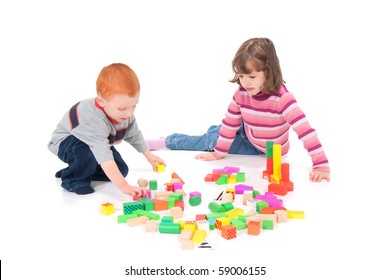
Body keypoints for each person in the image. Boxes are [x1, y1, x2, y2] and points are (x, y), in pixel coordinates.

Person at [147, 38, 330, 182]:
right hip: (246, 130)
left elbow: (306, 133)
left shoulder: (283, 100)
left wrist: (320, 165)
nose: (245, 82)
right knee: (215, 139)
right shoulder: (241, 93)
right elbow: (230, 122)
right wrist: (219, 153)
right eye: (241, 76)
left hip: (260, 149)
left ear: (269, 72)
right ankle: (168, 142)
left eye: (251, 76)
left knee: (210, 140)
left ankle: (197, 137)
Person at [48, 63, 165, 197]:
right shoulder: (92, 117)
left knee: (121, 170)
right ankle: (74, 179)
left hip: (97, 144)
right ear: (101, 101)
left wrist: (148, 155)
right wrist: (124, 186)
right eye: (122, 109)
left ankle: (78, 169)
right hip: (67, 143)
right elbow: (103, 154)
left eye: (133, 106)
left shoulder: (125, 114)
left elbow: (134, 135)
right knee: (86, 151)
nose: (128, 113)